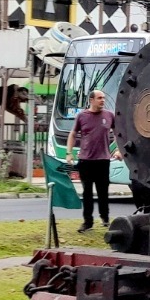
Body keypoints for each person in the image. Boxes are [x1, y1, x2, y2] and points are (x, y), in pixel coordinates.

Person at [65, 89, 122, 233]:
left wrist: (118, 149)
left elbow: (119, 133)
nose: (102, 100)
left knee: (103, 191)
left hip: (103, 160)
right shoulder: (82, 116)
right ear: (91, 100)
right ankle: (87, 222)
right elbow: (73, 134)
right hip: (86, 161)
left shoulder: (109, 115)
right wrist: (69, 153)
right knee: (87, 192)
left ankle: (105, 218)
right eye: (99, 98)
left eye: (103, 98)